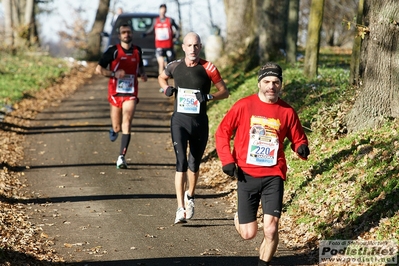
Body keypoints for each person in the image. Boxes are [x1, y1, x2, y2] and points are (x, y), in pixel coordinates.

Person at [215, 63, 310, 266]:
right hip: (246, 174)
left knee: (271, 228)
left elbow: (298, 138)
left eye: (276, 82)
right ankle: (239, 218)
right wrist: (227, 160)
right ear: (259, 83)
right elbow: (222, 132)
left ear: (281, 84)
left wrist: (301, 147)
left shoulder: (287, 111)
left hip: (273, 174)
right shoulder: (243, 106)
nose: (271, 86)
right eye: (267, 81)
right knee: (248, 233)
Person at [158, 32, 229, 224]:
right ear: (183, 47)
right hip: (179, 121)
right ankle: (180, 208)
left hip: (199, 123)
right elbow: (161, 78)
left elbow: (225, 92)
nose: (193, 49)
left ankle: (190, 196)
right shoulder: (174, 66)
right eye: (189, 46)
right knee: (180, 161)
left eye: (196, 46)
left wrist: (210, 96)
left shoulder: (208, 67)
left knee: (194, 163)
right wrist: (166, 89)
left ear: (201, 47)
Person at [96, 24, 148, 169]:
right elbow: (99, 69)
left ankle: (121, 157)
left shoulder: (137, 50)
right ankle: (114, 129)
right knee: (117, 126)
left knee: (127, 123)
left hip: (131, 92)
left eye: (128, 32)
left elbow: (140, 66)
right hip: (115, 92)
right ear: (119, 36)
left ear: (132, 34)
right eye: (123, 32)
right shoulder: (113, 51)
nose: (126, 34)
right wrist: (114, 74)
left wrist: (142, 74)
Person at [154, 4, 180, 75]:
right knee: (161, 63)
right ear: (159, 10)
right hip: (159, 46)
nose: (163, 12)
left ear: (166, 11)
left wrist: (176, 37)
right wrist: (145, 34)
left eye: (164, 10)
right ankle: (161, 80)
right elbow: (151, 30)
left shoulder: (170, 20)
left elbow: (177, 29)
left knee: (168, 64)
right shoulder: (155, 21)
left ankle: (167, 81)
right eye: (161, 10)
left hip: (168, 46)